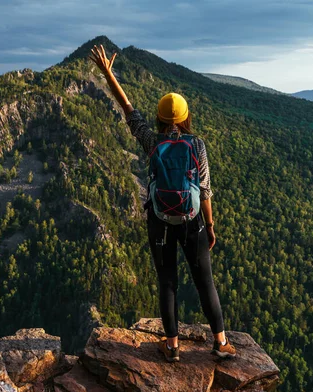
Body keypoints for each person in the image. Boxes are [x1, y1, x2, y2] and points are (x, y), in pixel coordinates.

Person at [89, 45, 236, 362]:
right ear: (185, 118)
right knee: (204, 281)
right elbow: (205, 190)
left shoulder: (151, 140)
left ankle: (171, 347)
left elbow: (128, 109)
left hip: (159, 222)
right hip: (192, 222)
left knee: (167, 282)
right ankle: (220, 343)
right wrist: (209, 226)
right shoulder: (196, 144)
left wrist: (107, 74)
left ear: (158, 117)